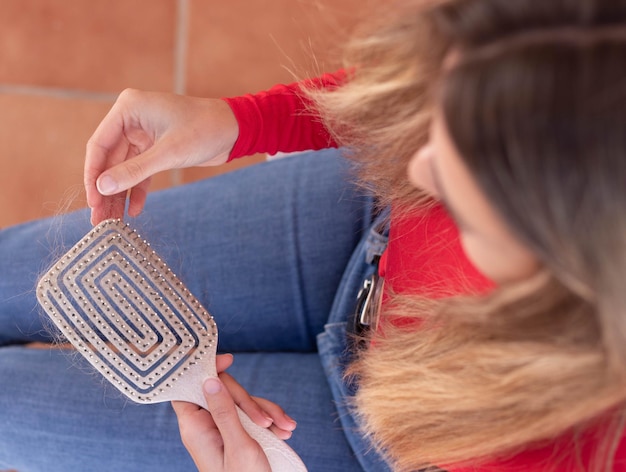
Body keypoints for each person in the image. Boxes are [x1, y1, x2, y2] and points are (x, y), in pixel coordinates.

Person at [1, 0, 626, 470]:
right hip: (353, 236)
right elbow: (403, 105)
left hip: (376, 441)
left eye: (470, 192)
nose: (418, 168)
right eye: (444, 118)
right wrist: (242, 121)